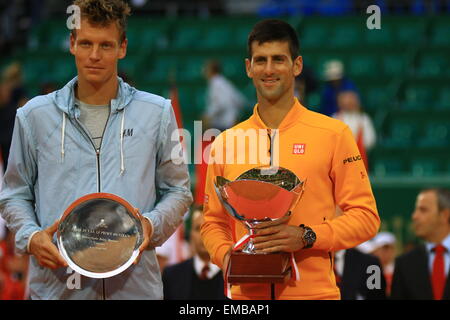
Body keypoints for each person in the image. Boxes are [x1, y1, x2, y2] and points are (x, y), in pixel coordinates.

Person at [0, 0, 192, 300]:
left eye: (105, 45)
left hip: (135, 288)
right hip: (57, 288)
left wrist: (150, 226)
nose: (94, 55)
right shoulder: (33, 116)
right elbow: (14, 194)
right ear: (72, 43)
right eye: (86, 43)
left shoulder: (157, 112)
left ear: (122, 47)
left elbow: (178, 191)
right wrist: (32, 236)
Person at [200, 19, 380, 300]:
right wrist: (228, 259)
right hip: (246, 298)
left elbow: (366, 217)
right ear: (248, 67)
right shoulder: (226, 142)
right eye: (261, 60)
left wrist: (308, 236)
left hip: (314, 294)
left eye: (278, 60)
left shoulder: (333, 133)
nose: (269, 69)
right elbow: (213, 223)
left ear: (296, 66)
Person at [391, 188, 450, 300]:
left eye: (423, 210)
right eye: (416, 210)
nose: (414, 216)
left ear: (444, 215)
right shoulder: (404, 264)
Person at [162, 205, 225, 299]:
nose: (204, 235)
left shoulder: (237, 278)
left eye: (210, 229)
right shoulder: (171, 276)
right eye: (198, 228)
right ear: (190, 234)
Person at [332, 90, 376, 170]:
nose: (349, 102)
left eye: (351, 99)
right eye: (346, 99)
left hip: (360, 162)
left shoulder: (363, 119)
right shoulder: (335, 118)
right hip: (340, 163)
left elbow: (370, 141)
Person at [369, 231, 396, 297]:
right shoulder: (370, 271)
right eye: (384, 249)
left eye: (390, 248)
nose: (387, 252)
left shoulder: (398, 270)